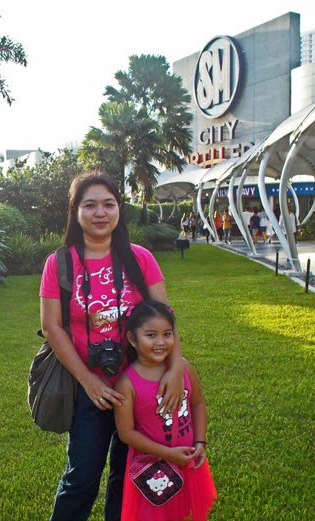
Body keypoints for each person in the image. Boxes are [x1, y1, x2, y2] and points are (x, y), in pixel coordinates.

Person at [40, 171, 185, 521]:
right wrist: (88, 381)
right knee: (81, 478)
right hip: (89, 391)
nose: (100, 213)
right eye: (90, 205)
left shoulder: (140, 258)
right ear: (76, 211)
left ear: (120, 208)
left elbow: (165, 318)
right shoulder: (60, 263)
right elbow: (52, 327)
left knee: (129, 478)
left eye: (109, 204)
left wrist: (176, 369)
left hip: (139, 387)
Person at [115, 300, 217, 521]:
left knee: (183, 511)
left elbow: (197, 403)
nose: (160, 342)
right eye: (151, 335)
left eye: (167, 334)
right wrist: (168, 454)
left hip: (188, 459)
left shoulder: (183, 368)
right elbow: (126, 433)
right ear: (132, 338)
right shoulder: (127, 384)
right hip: (152, 468)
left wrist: (200, 442)